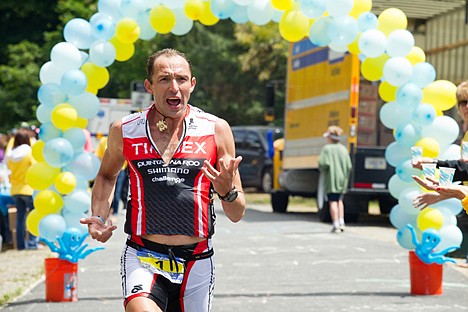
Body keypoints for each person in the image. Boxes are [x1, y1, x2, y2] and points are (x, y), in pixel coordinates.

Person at [80, 48, 246, 312]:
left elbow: (237, 213)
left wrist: (227, 193)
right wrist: (99, 217)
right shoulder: (125, 130)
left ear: (192, 84)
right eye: (164, 79)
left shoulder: (216, 129)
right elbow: (107, 174)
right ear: (149, 85)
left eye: (181, 79)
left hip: (197, 259)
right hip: (143, 255)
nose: (174, 87)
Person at [6, 128, 38, 250]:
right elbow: (36, 169)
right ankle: (32, 243)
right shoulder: (29, 153)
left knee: (20, 218)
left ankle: (20, 245)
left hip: (15, 190)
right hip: (29, 189)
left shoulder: (11, 155)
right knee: (33, 217)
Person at [318, 126, 352, 233]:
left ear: (330, 137)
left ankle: (335, 224)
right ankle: (342, 222)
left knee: (332, 201)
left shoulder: (327, 149)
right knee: (339, 200)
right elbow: (349, 166)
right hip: (342, 180)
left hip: (332, 180)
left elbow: (323, 164)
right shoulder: (344, 149)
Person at [94, 128, 128, 216]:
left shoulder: (124, 140)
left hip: (121, 170)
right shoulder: (104, 141)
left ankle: (115, 213)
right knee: (105, 192)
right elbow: (99, 155)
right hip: (107, 169)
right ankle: (103, 213)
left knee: (117, 192)